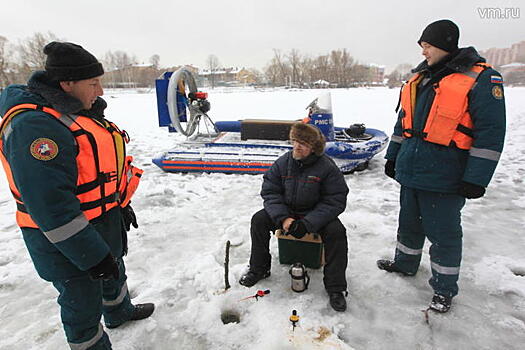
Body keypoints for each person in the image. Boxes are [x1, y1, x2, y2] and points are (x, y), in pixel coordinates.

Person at [0, 42, 154, 349]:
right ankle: (90, 345)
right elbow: (51, 206)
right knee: (81, 298)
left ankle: (118, 311)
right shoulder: (36, 127)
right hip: (64, 237)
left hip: (102, 218)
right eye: (93, 84)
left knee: (114, 271)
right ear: (66, 83)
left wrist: (117, 204)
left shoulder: (76, 110)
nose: (100, 92)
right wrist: (91, 255)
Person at [378, 19, 506, 313]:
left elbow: (491, 132)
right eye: (422, 46)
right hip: (411, 171)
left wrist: (477, 178)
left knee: (444, 235)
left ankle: (444, 289)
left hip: (446, 177)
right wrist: (393, 156)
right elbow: (403, 124)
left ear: (446, 45)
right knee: (408, 225)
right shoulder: (418, 80)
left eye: (428, 45)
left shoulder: (482, 79)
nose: (423, 51)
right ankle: (405, 264)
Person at [239, 122, 350, 312]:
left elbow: (335, 200)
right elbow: (270, 191)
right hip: (287, 211)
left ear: (313, 148)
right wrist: (283, 218)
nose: (297, 147)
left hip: (314, 214)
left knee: (337, 232)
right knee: (258, 220)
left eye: (303, 144)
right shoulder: (284, 162)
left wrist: (308, 223)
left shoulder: (327, 167)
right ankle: (259, 268)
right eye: (295, 141)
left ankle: (336, 287)